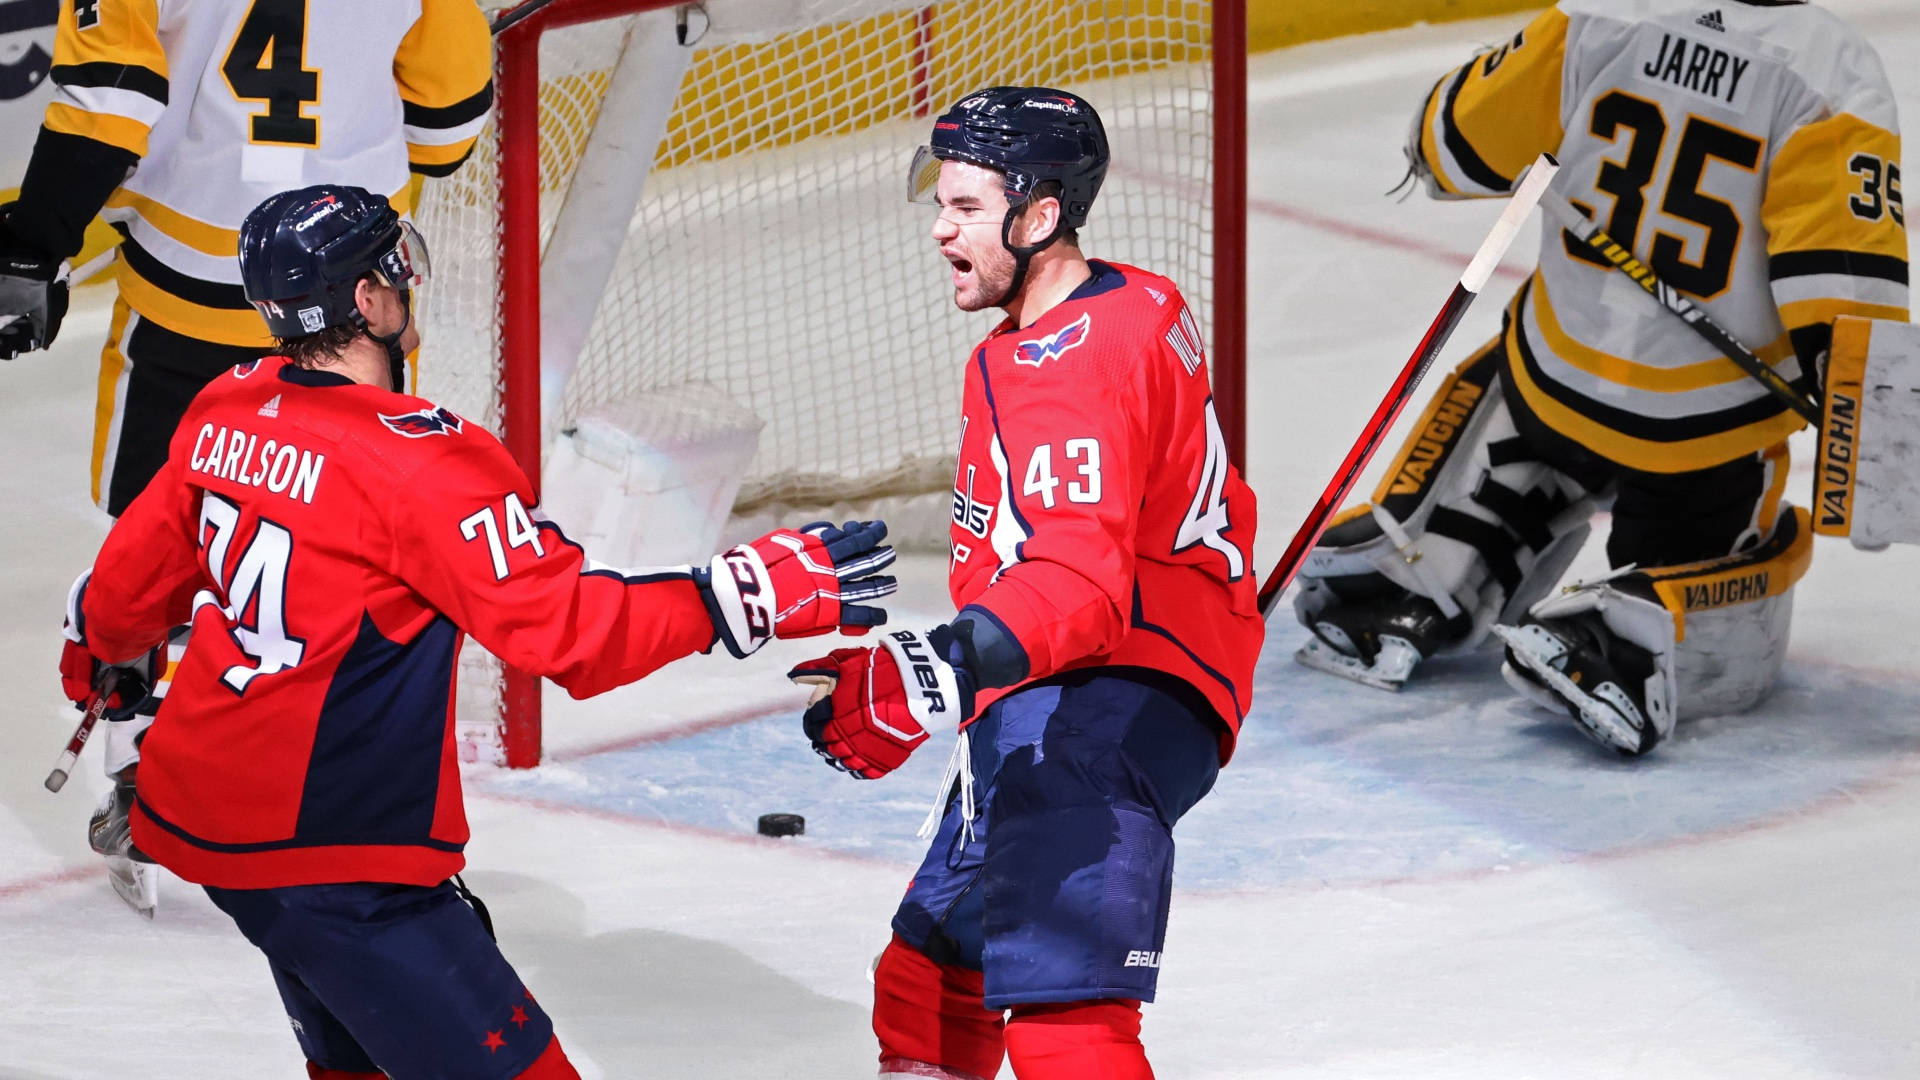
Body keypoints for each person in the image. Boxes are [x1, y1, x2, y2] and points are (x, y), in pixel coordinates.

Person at [57, 184, 899, 1079]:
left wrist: (100, 673)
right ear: (371, 302)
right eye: (395, 269)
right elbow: (565, 633)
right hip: (340, 857)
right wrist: (739, 597)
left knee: (362, 1059)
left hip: (205, 820)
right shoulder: (425, 458)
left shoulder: (223, 405)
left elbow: (116, 602)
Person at [787, 88, 1263, 1080]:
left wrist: (924, 674)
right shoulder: (1140, 296)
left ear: (1038, 215)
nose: (940, 230)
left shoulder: (1060, 369)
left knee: (1066, 1021)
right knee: (928, 972)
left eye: (964, 208)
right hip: (1101, 682)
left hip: (1097, 707)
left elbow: (1080, 586)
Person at [1291, 0, 1907, 755]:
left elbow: (1450, 145)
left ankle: (1418, 569)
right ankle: (1627, 636)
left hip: (1552, 381)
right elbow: (1848, 309)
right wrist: (1875, 445)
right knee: (1744, 564)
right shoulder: (1831, 71)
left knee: (1508, 370)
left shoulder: (1598, 12)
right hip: (1702, 433)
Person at [1, 0, 495, 911]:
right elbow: (448, 121)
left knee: (154, 537)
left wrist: (35, 242)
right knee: (360, 551)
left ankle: (137, 785)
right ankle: (354, 800)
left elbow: (113, 93)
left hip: (186, 278)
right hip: (353, 302)